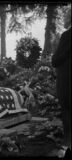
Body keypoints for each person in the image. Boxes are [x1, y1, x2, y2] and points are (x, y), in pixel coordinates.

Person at [52, 8, 71, 158]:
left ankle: (67, 144)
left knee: (67, 111)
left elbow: (56, 60)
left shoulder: (67, 35)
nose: (63, 19)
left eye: (65, 17)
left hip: (67, 81)